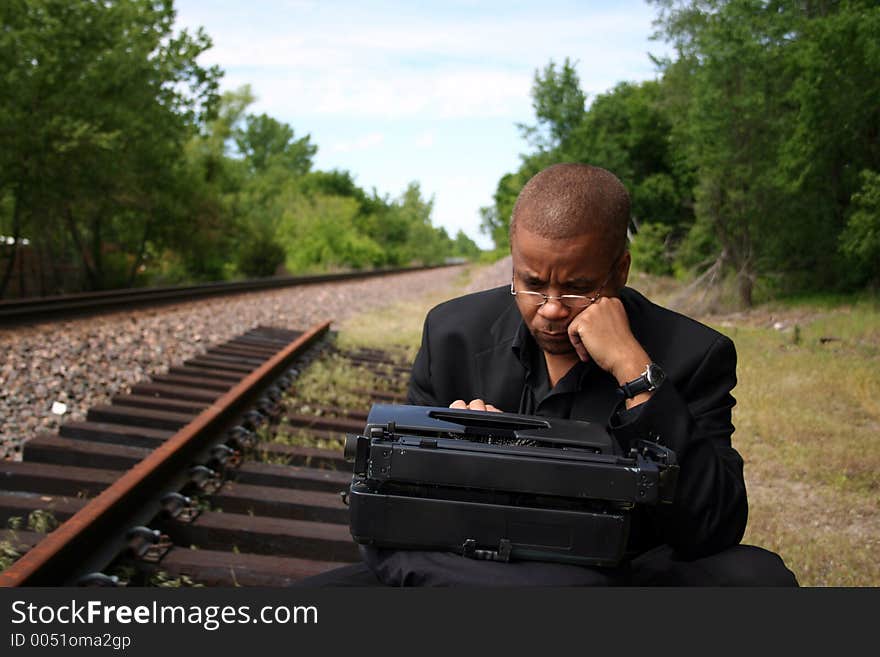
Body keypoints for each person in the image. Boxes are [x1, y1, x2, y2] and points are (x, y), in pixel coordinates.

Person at [298, 162, 798, 586]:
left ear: (619, 272)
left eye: (579, 287)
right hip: (467, 565)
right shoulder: (453, 333)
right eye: (531, 283)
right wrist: (460, 456)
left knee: (758, 578)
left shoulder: (695, 352)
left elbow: (712, 529)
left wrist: (636, 372)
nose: (552, 309)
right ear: (513, 263)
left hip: (615, 572)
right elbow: (393, 511)